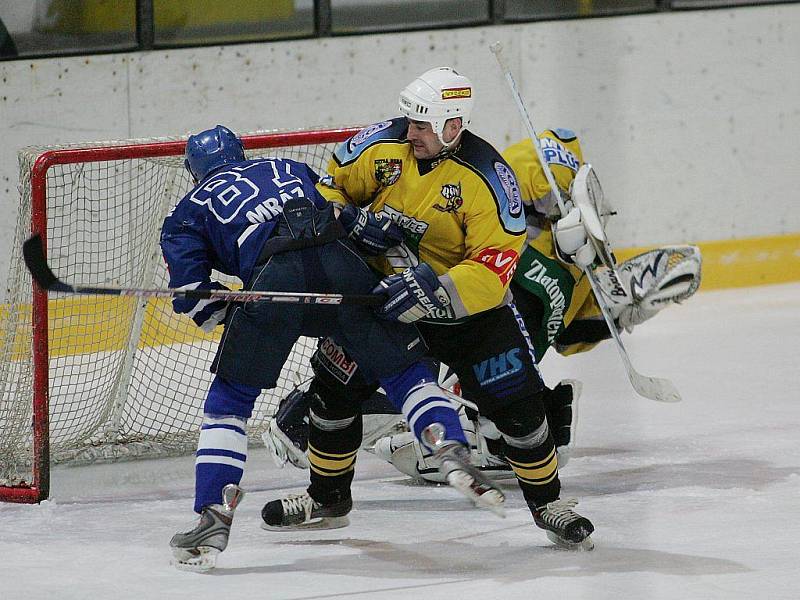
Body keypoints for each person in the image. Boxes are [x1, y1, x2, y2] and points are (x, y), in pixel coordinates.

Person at [260, 67, 596, 551]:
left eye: (422, 126)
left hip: (468, 317)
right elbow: (327, 191)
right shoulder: (381, 146)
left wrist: (434, 289)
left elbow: (492, 269)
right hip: (384, 305)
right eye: (410, 122)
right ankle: (327, 500)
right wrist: (352, 224)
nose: (410, 131)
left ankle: (549, 506)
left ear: (453, 126)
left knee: (521, 410)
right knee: (332, 395)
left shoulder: (489, 179)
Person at [265, 128, 701, 486]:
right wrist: (566, 201)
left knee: (541, 432)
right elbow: (528, 166)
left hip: (481, 341)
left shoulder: (582, 280)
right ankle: (316, 412)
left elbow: (569, 337)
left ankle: (470, 432)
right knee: (394, 359)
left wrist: (627, 309)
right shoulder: (525, 189)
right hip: (438, 292)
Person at [163, 125, 500, 571]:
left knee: (229, 402)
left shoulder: (186, 212)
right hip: (341, 268)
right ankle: (448, 446)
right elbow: (345, 218)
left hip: (274, 280)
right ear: (242, 153)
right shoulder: (286, 167)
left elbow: (195, 299)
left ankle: (213, 512)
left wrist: (232, 310)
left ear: (193, 171)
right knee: (406, 371)